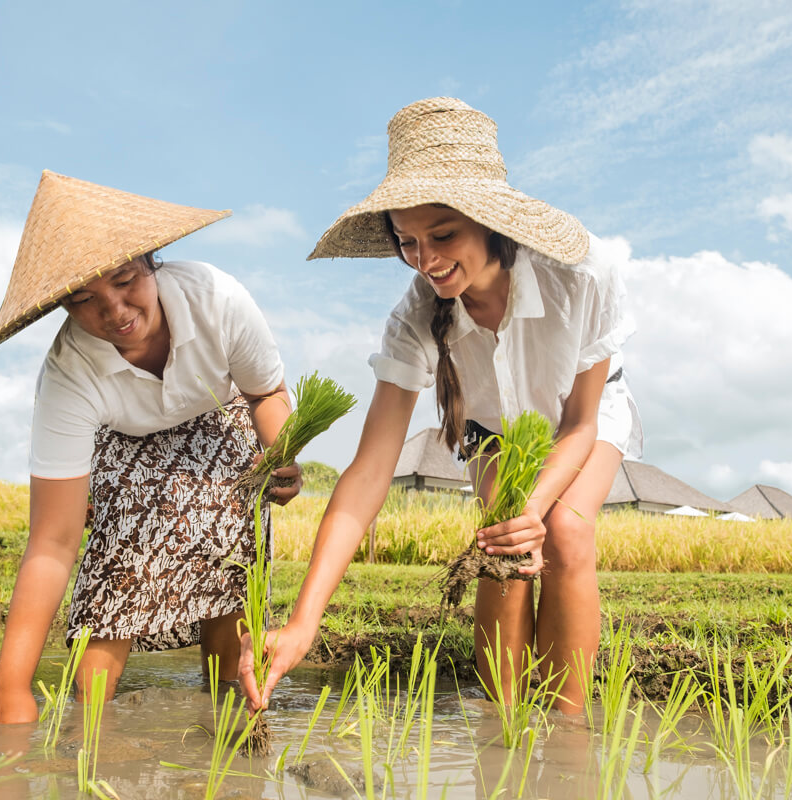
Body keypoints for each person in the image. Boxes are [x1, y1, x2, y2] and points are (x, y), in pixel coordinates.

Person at [240, 98, 642, 716]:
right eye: (407, 242)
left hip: (580, 418)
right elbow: (370, 470)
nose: (425, 260)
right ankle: (501, 732)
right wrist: (302, 622)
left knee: (562, 531)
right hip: (487, 430)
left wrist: (535, 506)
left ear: (490, 223)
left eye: (443, 235)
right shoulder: (414, 319)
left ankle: (568, 736)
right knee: (499, 547)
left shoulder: (584, 274)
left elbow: (582, 422)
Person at [0, 171, 301, 725]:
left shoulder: (217, 299)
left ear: (153, 260)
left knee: (227, 552)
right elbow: (53, 543)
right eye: (83, 299)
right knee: (120, 549)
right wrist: (12, 689)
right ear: (62, 307)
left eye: (126, 278)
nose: (114, 310)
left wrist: (282, 453)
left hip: (218, 418)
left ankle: (227, 712)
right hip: (124, 441)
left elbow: (265, 391)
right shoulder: (68, 373)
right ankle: (91, 722)